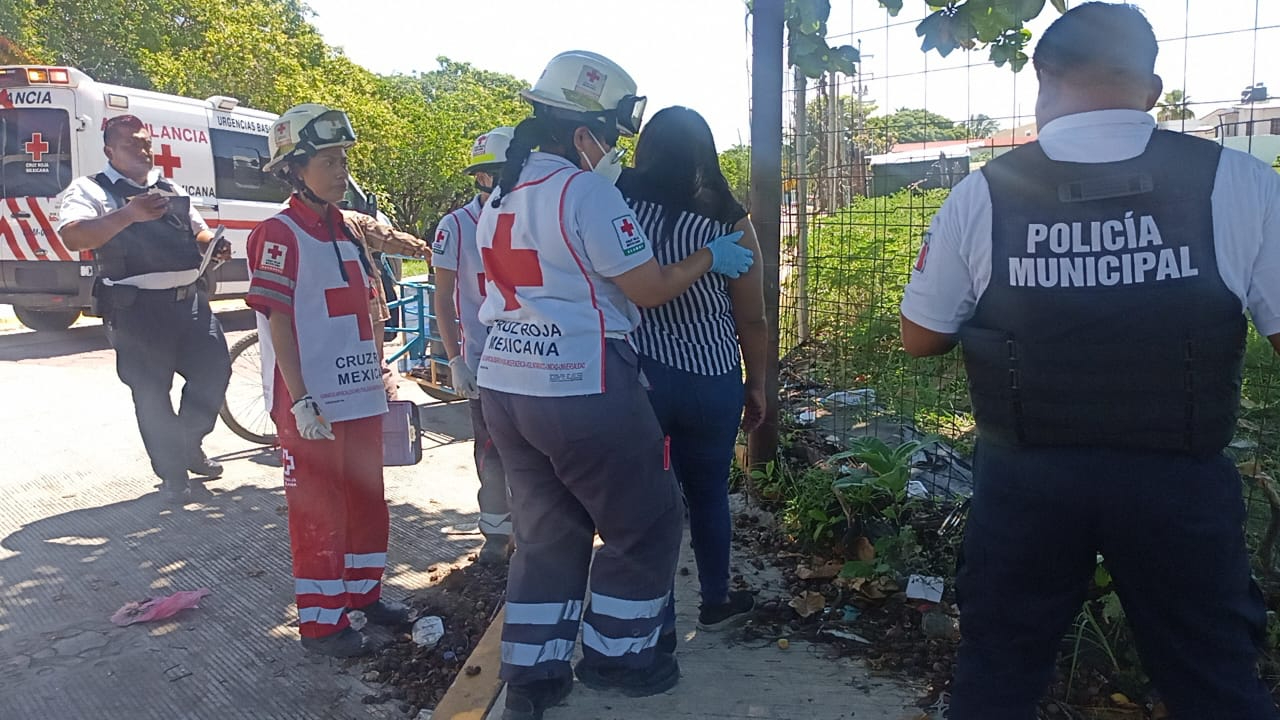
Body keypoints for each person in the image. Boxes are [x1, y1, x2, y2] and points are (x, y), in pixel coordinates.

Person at [898, 4, 1280, 719]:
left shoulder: (984, 191)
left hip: (1027, 481)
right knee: (1215, 677)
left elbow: (921, 336)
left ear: (1041, 79)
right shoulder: (1242, 182)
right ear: (1153, 90)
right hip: (1178, 481)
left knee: (999, 673)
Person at [474, 51, 754, 720]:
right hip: (583, 385)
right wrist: (709, 256)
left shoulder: (502, 190)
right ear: (582, 134)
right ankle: (621, 660)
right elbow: (649, 290)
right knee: (648, 522)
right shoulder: (585, 192)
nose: (615, 152)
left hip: (507, 389)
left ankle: (535, 677)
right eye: (611, 137)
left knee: (546, 529)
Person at [245, 103, 409, 658]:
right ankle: (322, 622)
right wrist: (301, 400)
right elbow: (280, 318)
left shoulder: (346, 230)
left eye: (343, 159)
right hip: (312, 402)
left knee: (367, 501)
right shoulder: (278, 232)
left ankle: (364, 596)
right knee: (318, 511)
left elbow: (364, 309)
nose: (341, 170)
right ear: (294, 168)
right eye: (327, 160)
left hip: (360, 392)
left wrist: (380, 369)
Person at [617, 106, 767, 630]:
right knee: (709, 498)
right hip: (713, 378)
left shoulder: (619, 204)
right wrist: (758, 384)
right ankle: (716, 599)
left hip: (643, 379)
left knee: (652, 504)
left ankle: (656, 615)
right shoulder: (730, 218)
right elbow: (753, 315)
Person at [57, 114, 231, 504]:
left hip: (189, 303)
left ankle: (188, 444)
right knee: (152, 394)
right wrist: (129, 214)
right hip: (136, 311)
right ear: (109, 151)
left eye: (145, 142)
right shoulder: (91, 189)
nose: (142, 150)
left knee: (214, 373)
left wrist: (210, 244)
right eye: (131, 144)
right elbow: (72, 236)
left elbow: (195, 228)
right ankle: (173, 474)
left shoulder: (168, 187)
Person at [432, 127, 515, 563]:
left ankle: (539, 530)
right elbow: (442, 297)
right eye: (485, 176)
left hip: (535, 357)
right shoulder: (456, 226)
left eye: (501, 173)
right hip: (484, 362)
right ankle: (497, 534)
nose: (494, 183)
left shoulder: (532, 216)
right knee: (491, 450)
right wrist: (454, 359)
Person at [340, 208, 431, 399]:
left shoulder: (291, 223)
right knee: (375, 366)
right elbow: (387, 237)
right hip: (366, 305)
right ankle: (389, 415)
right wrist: (421, 249)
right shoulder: (352, 219)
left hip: (327, 313)